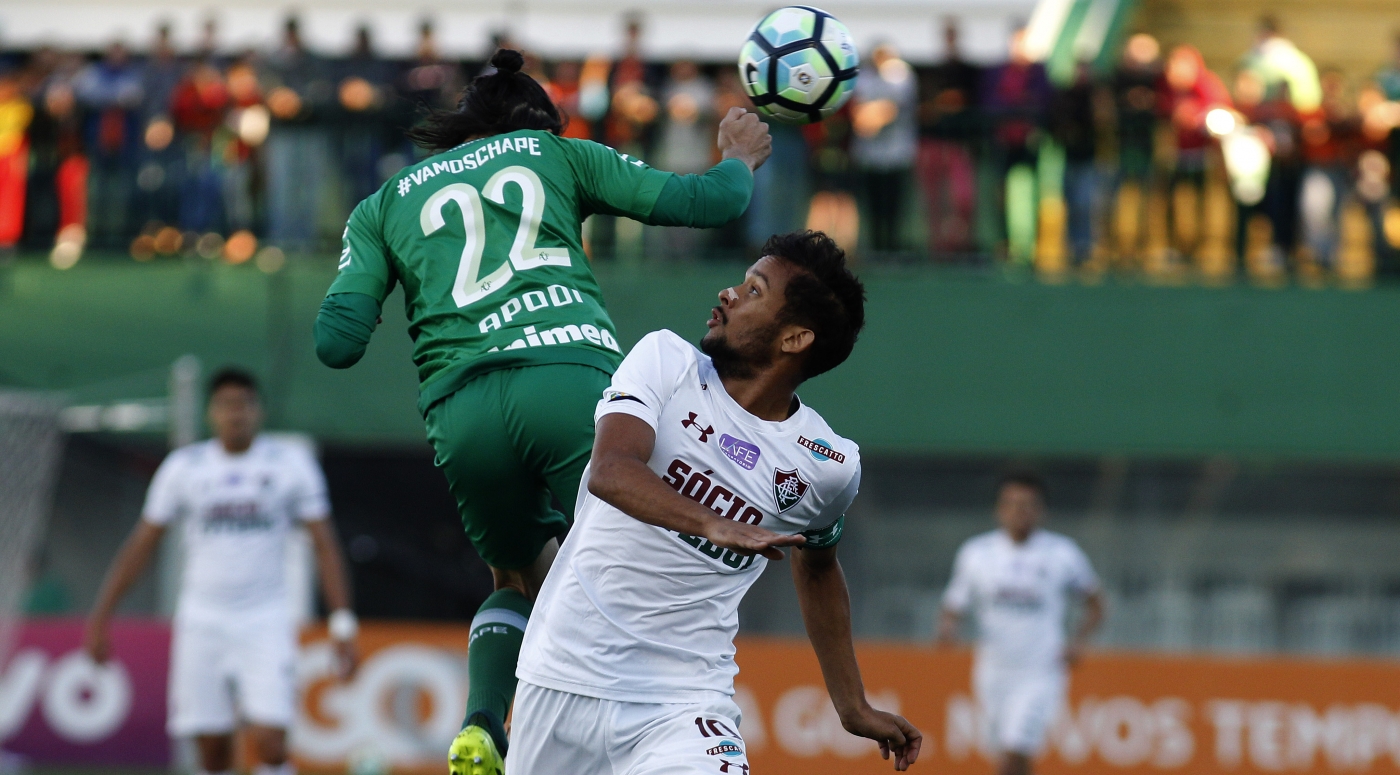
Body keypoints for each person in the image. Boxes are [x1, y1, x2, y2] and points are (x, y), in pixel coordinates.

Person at [312, 48, 770, 775]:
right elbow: (706, 204)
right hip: (570, 383)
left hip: (462, 410)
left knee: (515, 576)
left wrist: (370, 293)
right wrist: (739, 158)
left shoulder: (385, 203)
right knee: (631, 565)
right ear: (540, 122)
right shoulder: (558, 156)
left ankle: (482, 722)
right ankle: (659, 735)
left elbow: (335, 343)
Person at [510, 230, 922, 773]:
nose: (728, 293)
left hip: (685, 704)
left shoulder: (828, 466)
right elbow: (612, 471)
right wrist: (713, 524)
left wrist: (851, 705)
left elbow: (819, 569)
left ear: (795, 339)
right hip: (561, 678)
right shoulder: (665, 361)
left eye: (754, 291)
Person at [83, 368, 358, 775]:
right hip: (203, 620)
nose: (237, 414)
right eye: (228, 405)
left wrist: (342, 625)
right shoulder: (184, 468)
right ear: (212, 413)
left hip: (265, 617)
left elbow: (325, 545)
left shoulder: (290, 466)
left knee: (270, 739)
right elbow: (141, 545)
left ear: (259, 411)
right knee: (211, 751)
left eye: (245, 404)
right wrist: (102, 615)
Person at [936, 471, 1104, 775]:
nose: (1019, 511)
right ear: (999, 509)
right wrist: (949, 628)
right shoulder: (976, 553)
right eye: (1011, 504)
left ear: (1041, 511)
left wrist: (1079, 641)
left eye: (1027, 505)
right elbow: (953, 605)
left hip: (1040, 670)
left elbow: (1095, 604)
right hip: (993, 670)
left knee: (1015, 750)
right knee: (1008, 756)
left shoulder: (1062, 553)